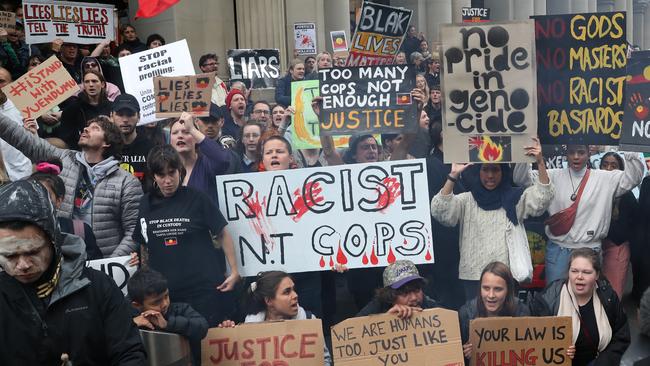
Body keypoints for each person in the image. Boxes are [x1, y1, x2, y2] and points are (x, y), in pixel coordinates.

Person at [0, 180, 146, 365]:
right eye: (10, 255)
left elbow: (130, 354)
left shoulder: (99, 288)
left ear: (54, 240)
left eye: (33, 252)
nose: (22, 265)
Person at [0, 114, 143, 257]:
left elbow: (133, 231)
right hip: (64, 259)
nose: (86, 129)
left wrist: (110, 264)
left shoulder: (127, 182)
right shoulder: (62, 159)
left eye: (95, 128)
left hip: (104, 260)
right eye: (86, 126)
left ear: (107, 143)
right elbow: (19, 136)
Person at [431, 138, 554, 298]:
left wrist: (539, 161)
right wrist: (453, 176)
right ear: (478, 172)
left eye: (495, 170)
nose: (490, 175)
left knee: (506, 320)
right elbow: (440, 211)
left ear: (503, 173)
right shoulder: (466, 200)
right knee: (476, 321)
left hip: (506, 276)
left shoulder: (515, 198)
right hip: (474, 277)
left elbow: (542, 198)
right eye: (485, 169)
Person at [134, 144, 240, 326]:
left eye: (172, 173)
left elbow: (222, 233)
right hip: (165, 296)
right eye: (161, 175)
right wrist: (145, 277)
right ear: (154, 176)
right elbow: (144, 244)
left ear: (180, 171)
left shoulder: (197, 198)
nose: (167, 180)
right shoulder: (146, 203)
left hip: (202, 290)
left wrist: (234, 270)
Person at [513, 146, 644, 283]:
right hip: (559, 250)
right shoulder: (552, 175)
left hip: (589, 250)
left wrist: (631, 145)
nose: (576, 156)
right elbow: (521, 179)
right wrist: (526, 150)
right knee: (555, 298)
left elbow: (633, 178)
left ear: (589, 154)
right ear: (566, 155)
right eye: (572, 152)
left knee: (586, 300)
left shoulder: (604, 178)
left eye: (581, 152)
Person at [530, 248, 630, 366]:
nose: (579, 277)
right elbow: (533, 339)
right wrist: (557, 350)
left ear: (597, 275)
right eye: (574, 271)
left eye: (586, 272)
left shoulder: (608, 296)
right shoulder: (549, 298)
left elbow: (621, 336)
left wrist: (604, 362)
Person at [218, 271, 332, 366]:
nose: (295, 295)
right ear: (268, 301)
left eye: (293, 289)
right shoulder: (248, 332)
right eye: (287, 292)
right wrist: (228, 334)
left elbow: (325, 360)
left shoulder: (309, 322)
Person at [128, 268, 208, 366]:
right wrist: (131, 325)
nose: (165, 304)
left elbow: (202, 327)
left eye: (166, 296)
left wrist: (168, 324)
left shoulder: (180, 310)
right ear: (137, 305)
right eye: (156, 302)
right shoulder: (128, 318)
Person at [30, 159, 103, 260]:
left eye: (45, 194)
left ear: (59, 200)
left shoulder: (80, 231)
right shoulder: (16, 232)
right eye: (32, 194)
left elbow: (95, 266)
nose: (37, 199)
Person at [459, 262, 530, 360]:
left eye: (498, 289)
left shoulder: (521, 312)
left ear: (508, 291)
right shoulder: (466, 314)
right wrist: (465, 354)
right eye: (486, 288)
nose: (491, 295)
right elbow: (454, 356)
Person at [598, 152, 638, 299]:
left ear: (621, 170)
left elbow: (627, 229)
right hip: (595, 246)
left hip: (617, 248)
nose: (608, 169)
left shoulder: (627, 195)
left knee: (612, 294)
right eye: (605, 164)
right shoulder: (594, 189)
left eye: (613, 166)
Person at [170, 112, 231, 203]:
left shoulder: (207, 164)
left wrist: (192, 129)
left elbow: (222, 160)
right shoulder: (167, 167)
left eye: (186, 132)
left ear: (196, 137)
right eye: (175, 133)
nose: (180, 136)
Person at [357, 260, 439, 317]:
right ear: (390, 296)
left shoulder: (431, 307)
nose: (414, 298)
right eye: (404, 293)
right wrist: (386, 320)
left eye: (417, 289)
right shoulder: (377, 306)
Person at [59, 70, 113, 149]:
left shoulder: (112, 107)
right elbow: (66, 136)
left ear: (102, 84)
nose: (91, 85)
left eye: (94, 81)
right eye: (87, 82)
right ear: (83, 85)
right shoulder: (73, 108)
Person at [111, 94, 155, 190]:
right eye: (120, 114)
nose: (125, 120)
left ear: (139, 117)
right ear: (111, 116)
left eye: (130, 114)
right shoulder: (105, 147)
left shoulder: (151, 148)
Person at [0, 67, 32, 181]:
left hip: (22, 174)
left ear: (12, 84)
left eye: (1, 81)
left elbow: (34, 139)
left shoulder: (22, 104)